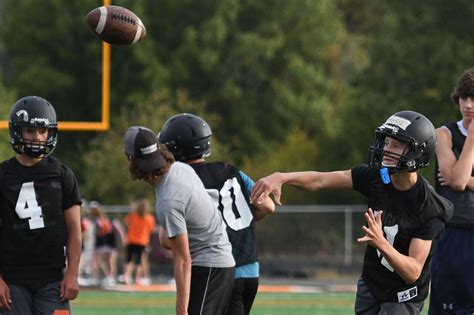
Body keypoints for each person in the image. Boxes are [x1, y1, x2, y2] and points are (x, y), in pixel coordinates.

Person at [250, 110, 453, 315]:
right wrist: (282, 177)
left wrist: (381, 243)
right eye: (386, 142)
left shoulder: (429, 207)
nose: (386, 149)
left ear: (417, 153)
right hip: (371, 283)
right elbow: (321, 180)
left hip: (403, 295)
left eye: (396, 145)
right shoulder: (377, 177)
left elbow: (413, 272)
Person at [158, 113, 275, 315]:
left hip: (218, 270)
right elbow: (267, 206)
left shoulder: (182, 179)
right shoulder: (231, 171)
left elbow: (167, 240)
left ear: (176, 149)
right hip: (250, 269)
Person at [123, 126, 235, 315]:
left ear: (131, 159)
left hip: (209, 267)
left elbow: (183, 261)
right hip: (219, 264)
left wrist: (181, 311)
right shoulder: (180, 169)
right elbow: (171, 238)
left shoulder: (168, 199)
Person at [0, 96, 82, 314]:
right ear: (18, 131)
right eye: (30, 130)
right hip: (13, 279)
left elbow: (75, 229)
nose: (37, 137)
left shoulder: (62, 175)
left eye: (42, 131)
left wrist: (72, 273)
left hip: (53, 280)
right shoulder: (3, 176)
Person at [429, 67, 474, 314]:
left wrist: (463, 176)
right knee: (447, 307)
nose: (468, 105)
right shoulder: (443, 134)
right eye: (464, 98)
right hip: (452, 230)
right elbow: (455, 183)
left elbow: (457, 178)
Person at [121, 196, 156, 285]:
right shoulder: (149, 218)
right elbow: (152, 229)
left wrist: (132, 209)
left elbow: (126, 222)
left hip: (131, 240)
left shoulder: (133, 216)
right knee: (138, 260)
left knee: (128, 260)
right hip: (142, 241)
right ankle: (136, 278)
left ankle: (127, 276)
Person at [89, 201, 118, 287]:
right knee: (104, 261)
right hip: (105, 243)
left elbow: (105, 231)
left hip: (104, 243)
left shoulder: (101, 220)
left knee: (103, 261)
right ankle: (108, 277)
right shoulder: (103, 219)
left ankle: (109, 277)